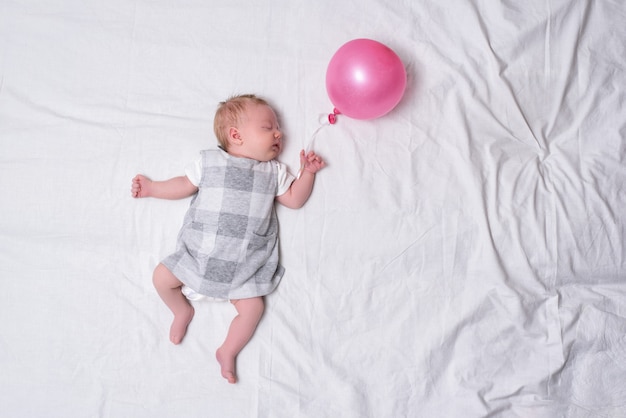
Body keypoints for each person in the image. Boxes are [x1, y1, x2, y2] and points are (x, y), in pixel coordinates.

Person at [131, 94, 325, 384]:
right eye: (268, 127)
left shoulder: (273, 172)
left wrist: (307, 173)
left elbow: (295, 200)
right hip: (198, 257)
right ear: (236, 135)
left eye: (278, 128)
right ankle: (181, 309)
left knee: (253, 308)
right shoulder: (208, 161)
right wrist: (152, 188)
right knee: (161, 277)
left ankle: (228, 350)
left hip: (244, 267)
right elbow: (183, 185)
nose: (278, 133)